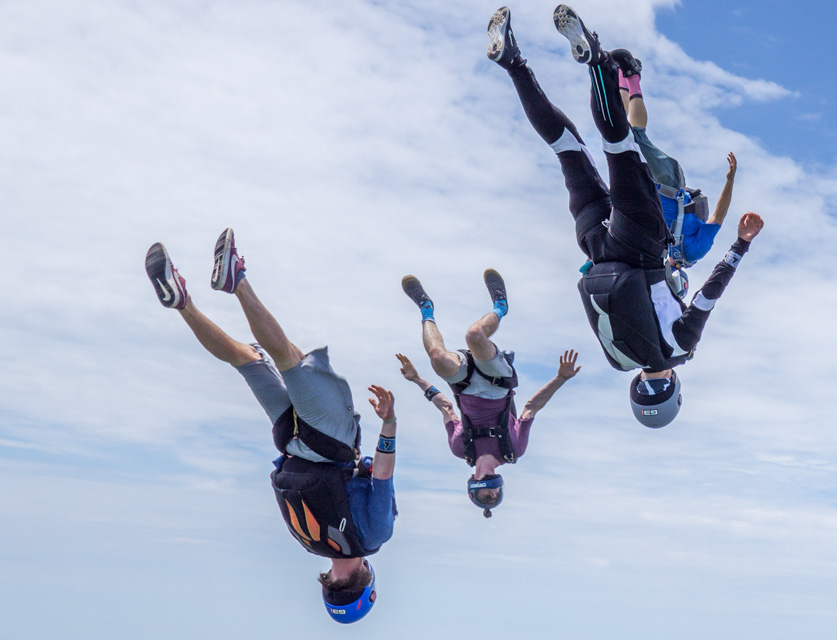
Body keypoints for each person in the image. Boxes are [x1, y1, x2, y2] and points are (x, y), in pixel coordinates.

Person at [487, 5, 763, 428]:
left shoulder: (679, 350)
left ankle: (597, 60)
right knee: (567, 149)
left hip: (641, 245)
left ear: (674, 389)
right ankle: (513, 63)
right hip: (596, 246)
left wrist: (741, 245)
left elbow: (710, 294)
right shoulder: (619, 360)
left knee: (620, 147)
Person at [145, 228, 398, 624]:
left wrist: (390, 425)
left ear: (366, 583)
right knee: (245, 359)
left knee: (289, 360)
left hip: (330, 439)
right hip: (287, 439)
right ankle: (182, 303)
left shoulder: (374, 537)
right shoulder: (307, 541)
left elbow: (382, 475)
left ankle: (236, 282)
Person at [400, 271, 580, 517]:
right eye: (495, 497)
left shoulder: (460, 448)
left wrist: (417, 379)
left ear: (473, 489)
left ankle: (426, 308)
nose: (493, 494)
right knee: (474, 335)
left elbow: (446, 408)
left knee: (437, 358)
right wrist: (560, 378)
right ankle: (501, 306)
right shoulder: (513, 450)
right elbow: (531, 407)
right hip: (497, 385)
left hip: (462, 386)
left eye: (486, 497)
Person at [615, 50, 738, 269]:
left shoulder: (657, 252)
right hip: (669, 183)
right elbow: (719, 215)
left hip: (649, 187)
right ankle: (632, 77)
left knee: (626, 140)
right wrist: (730, 180)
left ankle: (621, 77)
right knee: (636, 136)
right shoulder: (695, 251)